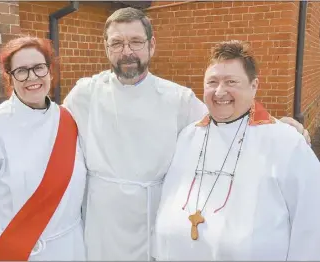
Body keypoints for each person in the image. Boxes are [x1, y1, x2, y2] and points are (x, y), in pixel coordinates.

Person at [63, 7, 311, 261]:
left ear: (151, 46)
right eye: (117, 43)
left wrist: (278, 126)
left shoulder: (177, 98)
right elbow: (54, 132)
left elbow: (225, 120)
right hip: (103, 224)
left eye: (136, 41)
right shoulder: (85, 94)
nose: (127, 51)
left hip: (154, 214)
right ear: (106, 47)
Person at [153, 40, 320, 261]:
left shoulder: (286, 143)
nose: (219, 91)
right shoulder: (188, 136)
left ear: (254, 86)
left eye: (231, 81)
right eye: (212, 82)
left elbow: (310, 222)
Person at [0, 36, 87, 261]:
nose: (32, 77)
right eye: (21, 71)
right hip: (15, 253)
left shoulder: (70, 121)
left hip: (69, 250)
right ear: (9, 78)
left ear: (50, 72)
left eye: (39, 68)